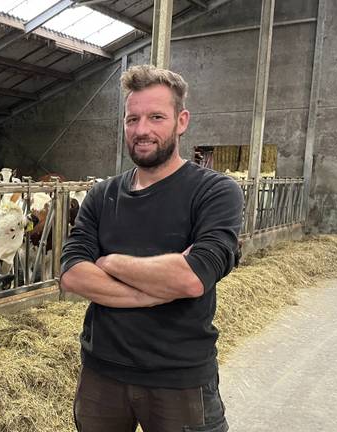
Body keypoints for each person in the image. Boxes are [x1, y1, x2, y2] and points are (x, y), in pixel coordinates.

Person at [60, 65, 243, 432]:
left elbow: (191, 279)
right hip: (102, 374)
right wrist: (154, 292)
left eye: (156, 117)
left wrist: (109, 261)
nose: (142, 130)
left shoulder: (215, 192)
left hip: (180, 378)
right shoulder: (101, 194)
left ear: (181, 120)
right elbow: (72, 274)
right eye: (133, 119)